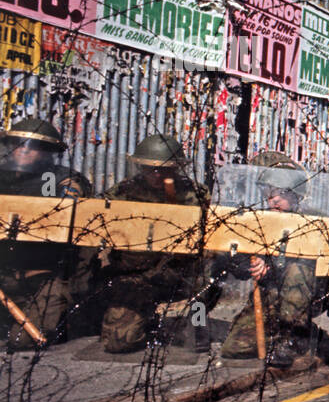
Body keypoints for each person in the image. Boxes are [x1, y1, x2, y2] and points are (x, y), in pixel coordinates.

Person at [99, 134, 210, 353]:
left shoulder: (195, 194)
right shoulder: (122, 193)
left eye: (166, 170)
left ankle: (197, 325)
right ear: (141, 167)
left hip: (179, 272)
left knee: (208, 276)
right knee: (119, 342)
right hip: (137, 273)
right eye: (152, 169)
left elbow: (209, 235)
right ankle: (145, 319)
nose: (158, 175)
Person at [217, 151, 320, 369]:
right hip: (269, 296)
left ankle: (294, 336)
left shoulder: (312, 220)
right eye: (269, 194)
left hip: (302, 296)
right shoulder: (261, 220)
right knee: (235, 347)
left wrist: (273, 267)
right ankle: (305, 334)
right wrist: (251, 266)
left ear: (294, 195)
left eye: (280, 195)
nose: (273, 200)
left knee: (297, 270)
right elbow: (237, 261)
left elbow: (314, 264)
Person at [0, 118, 89, 349]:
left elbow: (70, 199)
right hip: (4, 274)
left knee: (22, 341)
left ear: (47, 153)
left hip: (41, 277)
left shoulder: (62, 178)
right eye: (18, 144)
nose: (23, 151)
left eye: (31, 147)